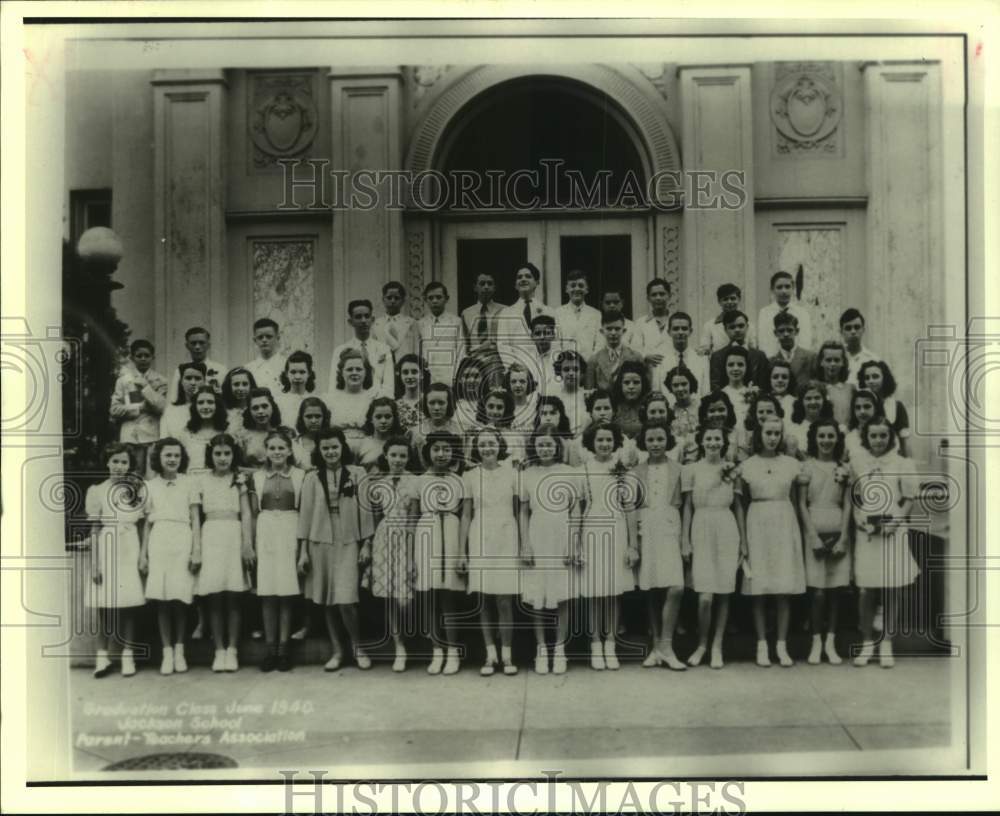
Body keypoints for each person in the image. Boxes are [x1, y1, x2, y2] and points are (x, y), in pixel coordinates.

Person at [297, 427, 373, 671]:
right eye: (325, 448)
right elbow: (305, 517)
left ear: (342, 447)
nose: (330, 452)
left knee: (346, 598)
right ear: (319, 451)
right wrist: (303, 551)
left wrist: (367, 544)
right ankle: (338, 651)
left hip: (349, 539)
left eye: (335, 447)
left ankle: (357, 646)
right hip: (320, 540)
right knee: (328, 598)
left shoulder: (357, 473)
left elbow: (366, 511)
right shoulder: (311, 478)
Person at [849, 417, 919, 668]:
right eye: (873, 436)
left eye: (883, 435)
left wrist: (895, 522)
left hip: (893, 529)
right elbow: (855, 496)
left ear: (891, 437)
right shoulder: (858, 462)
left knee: (892, 587)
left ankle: (887, 642)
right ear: (866, 438)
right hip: (867, 530)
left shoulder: (902, 463)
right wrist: (859, 518)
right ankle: (867, 641)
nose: (878, 440)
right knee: (866, 589)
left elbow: (909, 497)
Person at [739, 417, 807, 667]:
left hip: (784, 522)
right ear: (760, 434)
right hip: (757, 522)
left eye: (777, 433)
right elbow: (743, 502)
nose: (772, 437)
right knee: (759, 589)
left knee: (783, 590)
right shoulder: (747, 465)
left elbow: (798, 500)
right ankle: (761, 645)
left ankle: (781, 645)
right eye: (768, 432)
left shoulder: (791, 464)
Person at [681, 423, 747, 669]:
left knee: (723, 590)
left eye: (717, 439)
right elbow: (687, 506)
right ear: (701, 441)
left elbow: (738, 506)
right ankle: (701, 644)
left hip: (726, 527)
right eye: (708, 438)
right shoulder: (692, 470)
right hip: (701, 526)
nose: (713, 443)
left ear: (723, 442)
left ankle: (717, 646)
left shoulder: (733, 469)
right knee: (705, 596)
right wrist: (685, 540)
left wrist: (744, 541)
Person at [576, 422, 639, 670]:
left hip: (617, 530)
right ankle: (594, 644)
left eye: (609, 440)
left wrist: (633, 544)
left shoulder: (624, 471)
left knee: (613, 591)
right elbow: (578, 510)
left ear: (616, 442)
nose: (604, 444)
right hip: (591, 529)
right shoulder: (582, 471)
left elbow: (630, 508)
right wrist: (577, 543)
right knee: (594, 592)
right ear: (592, 443)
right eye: (600, 440)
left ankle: (610, 643)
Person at [459, 427, 521, 676]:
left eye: (491, 443)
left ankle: (507, 656)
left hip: (507, 534)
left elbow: (519, 511)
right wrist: (461, 552)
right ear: (477, 448)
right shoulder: (470, 476)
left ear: (500, 445)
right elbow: (465, 514)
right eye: (482, 444)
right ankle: (490, 655)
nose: (487, 448)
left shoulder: (513, 474)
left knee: (505, 599)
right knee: (484, 598)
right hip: (480, 535)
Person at [518, 429, 578, 674]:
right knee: (537, 596)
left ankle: (560, 649)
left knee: (561, 594)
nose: (545, 449)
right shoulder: (527, 474)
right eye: (540, 445)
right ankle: (542, 649)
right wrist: (525, 544)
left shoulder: (569, 473)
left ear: (557, 447)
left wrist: (573, 542)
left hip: (561, 534)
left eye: (549, 445)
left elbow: (575, 510)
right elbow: (523, 511)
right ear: (534, 447)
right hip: (537, 534)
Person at [140, 437, 201, 675]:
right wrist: (143, 554)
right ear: (159, 458)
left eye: (176, 455)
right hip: (159, 540)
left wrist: (197, 549)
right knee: (163, 599)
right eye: (168, 455)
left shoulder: (189, 482)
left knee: (180, 599)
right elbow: (146, 523)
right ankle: (166, 652)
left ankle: (179, 650)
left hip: (182, 538)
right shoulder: (150, 485)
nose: (172, 459)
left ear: (181, 458)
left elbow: (195, 518)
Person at [86, 443, 147, 677]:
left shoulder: (136, 490)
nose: (119, 466)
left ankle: (127, 655)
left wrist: (143, 555)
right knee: (105, 606)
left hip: (130, 546)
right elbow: (94, 529)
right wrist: (94, 563)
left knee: (129, 604)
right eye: (115, 461)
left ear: (130, 465)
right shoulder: (98, 490)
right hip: (107, 546)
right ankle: (102, 657)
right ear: (107, 462)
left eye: (124, 462)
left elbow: (143, 526)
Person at [195, 434, 253, 672]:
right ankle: (219, 650)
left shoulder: (239, 479)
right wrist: (196, 548)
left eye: (227, 453)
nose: (222, 458)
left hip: (233, 534)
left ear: (233, 455)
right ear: (210, 455)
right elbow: (197, 518)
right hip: (211, 536)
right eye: (217, 453)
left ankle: (233, 650)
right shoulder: (201, 480)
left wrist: (247, 543)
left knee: (233, 596)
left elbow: (247, 513)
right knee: (215, 596)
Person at [798, 419, 852, 666]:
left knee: (835, 592)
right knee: (817, 592)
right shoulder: (806, 467)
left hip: (837, 528)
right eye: (822, 436)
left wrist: (843, 537)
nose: (826, 441)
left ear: (837, 439)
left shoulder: (844, 468)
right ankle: (815, 641)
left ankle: (830, 642)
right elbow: (801, 503)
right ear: (814, 438)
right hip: (815, 532)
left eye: (831, 436)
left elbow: (848, 504)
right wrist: (812, 535)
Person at [413, 431, 468, 675]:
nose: (441, 454)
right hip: (427, 533)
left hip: (452, 533)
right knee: (430, 597)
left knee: (449, 599)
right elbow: (414, 517)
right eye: (436, 449)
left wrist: (462, 552)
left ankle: (453, 651)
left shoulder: (460, 480)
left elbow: (466, 515)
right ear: (428, 453)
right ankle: (437, 651)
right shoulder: (420, 480)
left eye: (446, 449)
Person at [633, 422, 686, 670]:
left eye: (660, 439)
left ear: (668, 441)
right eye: (651, 440)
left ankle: (667, 646)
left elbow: (686, 507)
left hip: (670, 528)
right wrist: (634, 542)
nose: (655, 444)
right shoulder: (637, 471)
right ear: (644, 442)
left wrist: (685, 539)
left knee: (675, 587)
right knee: (652, 589)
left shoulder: (678, 469)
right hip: (647, 529)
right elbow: (632, 509)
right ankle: (656, 647)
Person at [252, 429, 305, 672]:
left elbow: (303, 511)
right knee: (268, 592)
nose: (277, 452)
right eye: (272, 448)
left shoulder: (300, 476)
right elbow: (253, 513)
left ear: (290, 450)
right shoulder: (255, 478)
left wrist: (302, 546)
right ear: (266, 451)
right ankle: (270, 649)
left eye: (281, 448)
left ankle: (284, 649)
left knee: (286, 591)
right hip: (266, 532)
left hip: (289, 529)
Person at [368, 437, 420, 672]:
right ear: (386, 456)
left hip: (408, 538)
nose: (398, 460)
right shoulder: (379, 483)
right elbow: (377, 517)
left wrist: (410, 555)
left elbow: (413, 519)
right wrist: (369, 545)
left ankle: (414, 638)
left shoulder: (414, 482)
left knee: (406, 597)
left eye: (403, 456)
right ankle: (399, 646)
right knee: (389, 595)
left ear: (409, 458)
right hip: (384, 538)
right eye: (394, 455)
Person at [109, 339, 168, 473]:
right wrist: (139, 408)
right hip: (130, 436)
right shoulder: (124, 381)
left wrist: (146, 387)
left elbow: (161, 407)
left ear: (153, 357)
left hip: (152, 436)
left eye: (146, 355)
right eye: (139, 356)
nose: (143, 359)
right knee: (131, 475)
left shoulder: (161, 380)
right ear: (132, 357)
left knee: (150, 476)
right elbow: (114, 409)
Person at [330, 300, 395, 394]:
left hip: (378, 403)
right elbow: (333, 386)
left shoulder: (384, 349)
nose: (363, 320)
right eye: (358, 317)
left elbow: (389, 387)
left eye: (367, 316)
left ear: (372, 320)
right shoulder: (340, 351)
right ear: (350, 322)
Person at [415, 282, 467, 387]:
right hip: (428, 374)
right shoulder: (420, 324)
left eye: (438, 297)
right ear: (425, 300)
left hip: (450, 373)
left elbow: (461, 351)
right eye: (430, 298)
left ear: (446, 298)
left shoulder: (456, 322)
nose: (435, 301)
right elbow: (418, 352)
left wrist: (456, 376)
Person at [650, 312, 709, 402]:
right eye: (676, 329)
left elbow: (705, 393)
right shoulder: (660, 360)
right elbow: (656, 393)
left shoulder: (702, 359)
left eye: (684, 329)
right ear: (669, 332)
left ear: (690, 331)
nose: (680, 332)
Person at [326, 348, 380, 444]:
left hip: (367, 446)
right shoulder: (330, 398)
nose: (354, 373)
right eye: (349, 369)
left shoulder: (374, 398)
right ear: (341, 372)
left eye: (359, 369)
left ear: (365, 372)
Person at [858, 360, 911, 457]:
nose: (871, 381)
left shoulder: (896, 406)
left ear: (885, 378)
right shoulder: (859, 406)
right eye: (867, 378)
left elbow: (905, 443)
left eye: (875, 376)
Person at [757, 271, 813, 359]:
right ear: (772, 289)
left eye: (787, 287)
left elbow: (805, 341)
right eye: (779, 287)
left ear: (793, 288)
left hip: (797, 361)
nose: (784, 291)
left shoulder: (802, 313)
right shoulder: (765, 313)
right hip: (773, 362)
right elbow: (764, 342)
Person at [709, 311, 770, 392]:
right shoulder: (718, 356)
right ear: (725, 330)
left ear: (747, 327)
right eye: (732, 327)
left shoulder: (759, 356)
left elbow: (764, 385)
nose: (737, 330)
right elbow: (715, 386)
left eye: (741, 326)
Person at [585, 311, 644, 391]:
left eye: (617, 329)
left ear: (624, 331)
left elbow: (643, 388)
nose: (613, 333)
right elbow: (589, 391)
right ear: (602, 331)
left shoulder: (636, 357)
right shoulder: (594, 360)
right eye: (609, 329)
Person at [554, 269, 602, 360]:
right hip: (566, 366)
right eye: (572, 286)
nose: (576, 289)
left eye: (581, 285)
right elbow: (555, 344)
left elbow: (599, 344)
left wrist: (591, 364)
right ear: (566, 289)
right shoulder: (557, 313)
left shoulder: (596, 314)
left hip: (589, 365)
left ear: (586, 289)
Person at [179, 385, 229, 472]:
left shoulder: (227, 431)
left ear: (217, 405)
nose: (205, 407)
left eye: (210, 402)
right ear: (195, 406)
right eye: (200, 403)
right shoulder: (186, 433)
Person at [698, 283, 756, 356]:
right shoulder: (709, 325)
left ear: (739, 299)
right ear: (719, 302)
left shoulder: (749, 325)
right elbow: (704, 350)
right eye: (725, 299)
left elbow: (754, 349)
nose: (729, 302)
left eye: (733, 298)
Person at [168, 326, 227, 397]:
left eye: (201, 343)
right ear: (187, 346)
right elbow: (173, 397)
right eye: (193, 343)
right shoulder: (180, 371)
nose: (197, 347)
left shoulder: (221, 370)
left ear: (208, 345)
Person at [461, 271, 507, 361]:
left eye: (490, 284)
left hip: (498, 360)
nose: (486, 287)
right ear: (475, 287)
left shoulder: (504, 310)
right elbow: (465, 343)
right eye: (482, 284)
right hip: (475, 361)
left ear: (494, 287)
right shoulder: (466, 313)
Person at [234, 387, 284, 469]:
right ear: (249, 411)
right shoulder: (242, 436)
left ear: (272, 407)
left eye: (264, 406)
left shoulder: (283, 433)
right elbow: (236, 467)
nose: (260, 411)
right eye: (255, 408)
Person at [632, 278, 673, 370]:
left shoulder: (676, 320)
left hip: (672, 369)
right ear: (648, 298)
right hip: (649, 370)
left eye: (662, 294)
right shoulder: (640, 323)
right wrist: (645, 356)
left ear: (669, 296)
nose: (658, 298)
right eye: (654, 295)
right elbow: (635, 349)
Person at [354, 396, 404, 472]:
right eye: (378, 417)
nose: (383, 421)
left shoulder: (400, 445)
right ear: (371, 419)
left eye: (388, 417)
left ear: (394, 418)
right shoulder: (361, 445)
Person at [787, 381, 835, 458]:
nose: (813, 402)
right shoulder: (793, 431)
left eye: (817, 398)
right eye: (808, 398)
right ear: (801, 402)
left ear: (824, 401)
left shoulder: (835, 429)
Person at [160, 362, 207, 440]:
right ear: (181, 381)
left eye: (198, 378)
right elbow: (164, 439)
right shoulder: (171, 411)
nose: (193, 383)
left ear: (204, 381)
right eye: (188, 378)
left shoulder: (210, 408)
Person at [372, 281, 417, 360]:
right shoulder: (376, 324)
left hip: (404, 367)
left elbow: (415, 348)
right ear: (383, 299)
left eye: (396, 298)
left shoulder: (411, 323)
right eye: (389, 298)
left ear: (403, 301)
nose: (392, 301)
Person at [664, 366, 700, 464]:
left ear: (690, 384)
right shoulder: (668, 412)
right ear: (670, 388)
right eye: (675, 385)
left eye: (684, 384)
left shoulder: (701, 408)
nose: (680, 388)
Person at [813, 341, 854, 426]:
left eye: (836, 360)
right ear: (821, 362)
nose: (832, 364)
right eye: (828, 360)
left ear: (843, 362)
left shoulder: (850, 389)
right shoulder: (813, 388)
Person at [550, 350, 590, 436]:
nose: (571, 373)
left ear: (581, 372)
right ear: (559, 372)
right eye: (566, 369)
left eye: (575, 369)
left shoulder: (588, 397)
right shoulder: (554, 398)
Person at [769, 311, 814, 387]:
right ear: (775, 333)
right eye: (781, 331)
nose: (786, 334)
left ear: (797, 331)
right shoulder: (771, 361)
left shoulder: (811, 357)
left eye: (790, 330)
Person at [276, 351, 317, 431]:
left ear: (309, 374)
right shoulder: (278, 401)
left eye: (302, 372)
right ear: (286, 374)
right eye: (293, 372)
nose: (297, 376)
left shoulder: (317, 400)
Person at [244, 318, 287, 394]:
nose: (264, 340)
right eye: (260, 337)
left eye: (269, 336)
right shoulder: (248, 369)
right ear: (255, 340)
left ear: (278, 338)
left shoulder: (287, 365)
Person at [611, 360, 651, 439]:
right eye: (626, 382)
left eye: (636, 382)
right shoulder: (613, 407)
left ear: (643, 384)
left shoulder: (649, 406)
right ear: (620, 384)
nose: (631, 387)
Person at [839, 308, 879, 385]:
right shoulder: (834, 360)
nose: (853, 331)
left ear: (863, 330)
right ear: (841, 332)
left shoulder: (873, 360)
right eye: (848, 328)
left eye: (857, 327)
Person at [394, 353, 430, 432]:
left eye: (414, 372)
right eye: (405, 372)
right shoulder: (395, 406)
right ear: (400, 375)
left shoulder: (430, 402)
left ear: (422, 374)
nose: (410, 377)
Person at [292, 396, 331, 466]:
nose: (313, 421)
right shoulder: (294, 445)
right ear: (301, 418)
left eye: (318, 416)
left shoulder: (332, 442)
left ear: (324, 417)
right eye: (309, 416)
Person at [221, 367, 257, 435]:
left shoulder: (257, 409)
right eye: (236, 384)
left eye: (245, 384)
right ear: (229, 386)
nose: (241, 388)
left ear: (251, 385)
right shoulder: (224, 411)